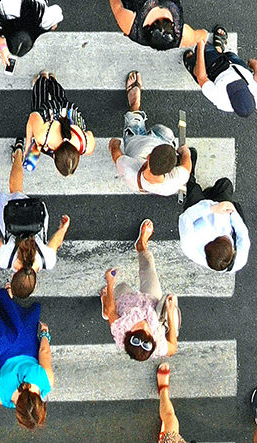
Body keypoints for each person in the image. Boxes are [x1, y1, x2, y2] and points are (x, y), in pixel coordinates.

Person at [0, 287, 52, 428]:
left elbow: (44, 352)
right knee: (0, 326)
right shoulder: (1, 397)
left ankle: (8, 298)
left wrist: (45, 334)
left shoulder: (47, 382)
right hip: (1, 350)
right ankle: (1, 305)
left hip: (26, 344)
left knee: (18, 321)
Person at [0, 142, 69, 287]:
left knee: (17, 190)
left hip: (37, 218)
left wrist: (63, 228)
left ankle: (19, 154)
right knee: (15, 189)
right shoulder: (5, 261)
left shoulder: (48, 262)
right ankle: (18, 153)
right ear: (14, 277)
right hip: (14, 218)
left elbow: (54, 244)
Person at [101, 225, 180, 361]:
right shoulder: (159, 346)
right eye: (147, 331)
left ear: (128, 335)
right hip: (152, 303)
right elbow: (172, 348)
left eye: (138, 328)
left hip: (125, 302)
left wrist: (110, 283)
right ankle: (141, 246)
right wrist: (171, 315)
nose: (143, 325)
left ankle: (104, 307)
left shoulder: (120, 328)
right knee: (149, 268)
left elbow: (112, 310)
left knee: (120, 287)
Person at [110, 72, 191, 197]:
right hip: (162, 138)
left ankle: (135, 104)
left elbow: (115, 151)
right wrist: (185, 152)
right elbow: (186, 166)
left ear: (148, 156)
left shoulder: (129, 170)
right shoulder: (172, 185)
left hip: (137, 140)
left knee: (136, 123)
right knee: (164, 131)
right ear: (171, 170)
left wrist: (115, 144)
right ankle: (136, 110)